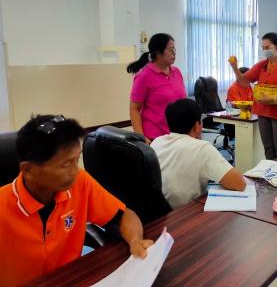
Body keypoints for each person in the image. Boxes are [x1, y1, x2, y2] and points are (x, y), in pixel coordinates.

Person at [0, 115, 152, 286]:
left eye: (76, 160)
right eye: (66, 164)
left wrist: (135, 241)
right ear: (28, 170)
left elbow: (124, 215)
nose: (75, 171)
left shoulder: (80, 182)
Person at [150, 99, 246, 209]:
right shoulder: (201, 148)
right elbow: (239, 184)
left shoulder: (157, 142)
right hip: (186, 213)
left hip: (158, 216)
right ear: (197, 125)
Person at [229, 32, 277, 159]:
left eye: (267, 47)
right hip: (263, 112)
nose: (265, 50)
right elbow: (244, 81)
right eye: (263, 48)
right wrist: (235, 68)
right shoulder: (261, 65)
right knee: (268, 149)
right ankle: (270, 177)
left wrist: (274, 98)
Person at [128, 33, 186, 143]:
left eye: (175, 50)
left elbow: (183, 103)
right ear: (159, 53)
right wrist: (141, 137)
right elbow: (134, 109)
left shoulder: (177, 72)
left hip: (177, 135)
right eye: (170, 50)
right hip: (155, 138)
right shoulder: (144, 76)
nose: (174, 54)